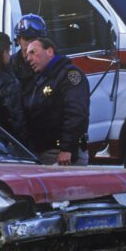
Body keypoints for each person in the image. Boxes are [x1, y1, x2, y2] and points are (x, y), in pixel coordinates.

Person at [23, 37, 90, 166]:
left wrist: (67, 148)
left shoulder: (69, 75)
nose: (29, 59)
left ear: (49, 52)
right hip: (45, 152)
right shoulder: (41, 79)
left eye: (33, 52)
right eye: (27, 55)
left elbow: (76, 113)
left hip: (62, 155)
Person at [10, 14, 48, 89]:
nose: (31, 42)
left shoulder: (52, 62)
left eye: (35, 38)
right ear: (18, 40)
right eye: (27, 38)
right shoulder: (10, 65)